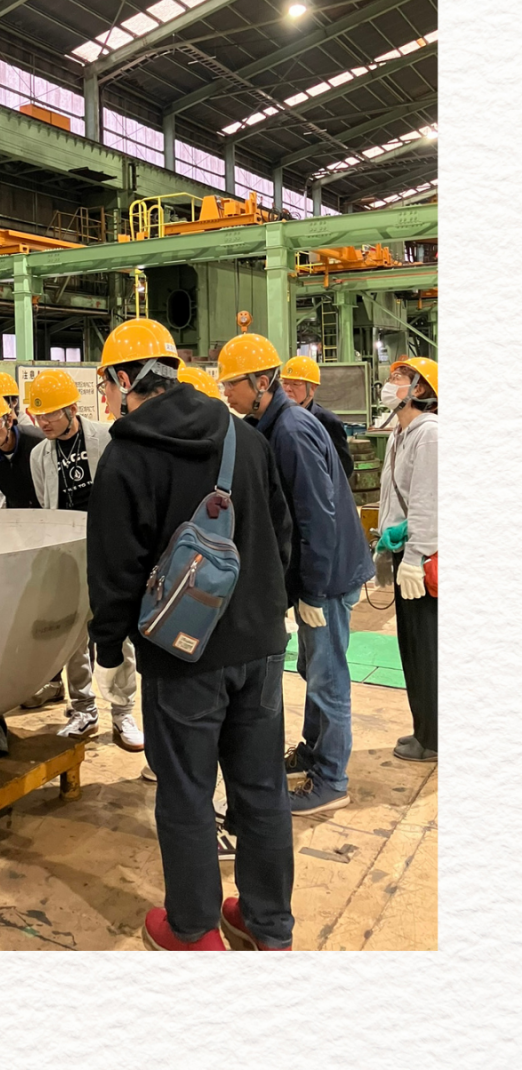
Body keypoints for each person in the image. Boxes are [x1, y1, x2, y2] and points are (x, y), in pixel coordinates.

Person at [88, 319, 295, 951]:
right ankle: (267, 924)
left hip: (182, 657)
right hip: (260, 648)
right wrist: (267, 612)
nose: (107, 397)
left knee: (185, 791)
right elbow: (282, 533)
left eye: (107, 384)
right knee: (262, 788)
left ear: (126, 379)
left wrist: (108, 647)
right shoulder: (244, 437)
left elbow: (114, 567)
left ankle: (193, 929)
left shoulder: (127, 456)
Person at [219, 333, 374, 816]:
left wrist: (313, 590)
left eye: (232, 383)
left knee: (328, 677)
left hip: (329, 579)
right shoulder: (273, 425)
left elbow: (316, 516)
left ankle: (331, 780)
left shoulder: (291, 431)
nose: (226, 392)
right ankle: (312, 751)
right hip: (320, 574)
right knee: (314, 670)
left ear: (261, 382)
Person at [26, 369, 144, 752]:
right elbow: (46, 505)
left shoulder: (107, 437)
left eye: (51, 413)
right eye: (38, 415)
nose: (44, 422)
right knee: (72, 637)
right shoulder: (39, 455)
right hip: (69, 554)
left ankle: (123, 713)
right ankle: (83, 708)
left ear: (72, 410)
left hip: (108, 550)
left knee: (117, 632)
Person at [377, 357, 438, 762]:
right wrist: (386, 545)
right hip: (402, 554)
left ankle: (433, 739)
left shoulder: (429, 434)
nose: (390, 382)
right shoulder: (399, 433)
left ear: (418, 389)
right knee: (411, 647)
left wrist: (415, 556)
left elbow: (428, 502)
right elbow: (392, 498)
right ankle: (423, 728)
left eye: (399, 377)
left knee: (426, 648)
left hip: (421, 559)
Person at [280, 356, 354, 480]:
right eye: (285, 383)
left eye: (295, 384)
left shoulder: (327, 422)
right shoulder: (278, 419)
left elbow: (343, 468)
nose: (288, 389)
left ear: (312, 388)